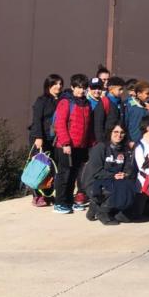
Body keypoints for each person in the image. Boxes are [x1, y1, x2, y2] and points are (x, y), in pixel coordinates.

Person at [51, 74, 94, 214]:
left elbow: (88, 127)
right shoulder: (66, 102)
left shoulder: (86, 103)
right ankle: (60, 202)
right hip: (66, 146)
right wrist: (65, 143)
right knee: (64, 174)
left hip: (80, 147)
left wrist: (89, 144)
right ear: (72, 87)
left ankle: (69, 201)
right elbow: (60, 124)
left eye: (83, 88)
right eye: (78, 87)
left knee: (74, 174)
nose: (81, 91)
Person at [82, 123, 136, 225]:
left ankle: (114, 211)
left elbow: (129, 168)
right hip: (95, 182)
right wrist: (113, 175)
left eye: (122, 132)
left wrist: (125, 174)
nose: (119, 135)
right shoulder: (100, 148)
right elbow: (96, 172)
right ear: (110, 133)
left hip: (114, 180)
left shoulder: (124, 150)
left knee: (129, 185)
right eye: (116, 132)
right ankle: (102, 211)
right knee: (114, 187)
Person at [28, 74, 63, 207]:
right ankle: (37, 196)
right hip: (40, 138)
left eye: (60, 84)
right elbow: (37, 120)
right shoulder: (41, 100)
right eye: (55, 84)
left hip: (54, 139)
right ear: (48, 85)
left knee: (51, 168)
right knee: (38, 167)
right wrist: (38, 137)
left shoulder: (61, 100)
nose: (58, 86)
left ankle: (48, 194)